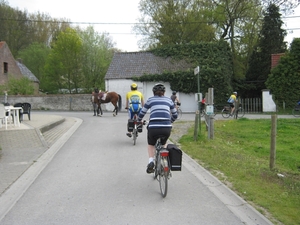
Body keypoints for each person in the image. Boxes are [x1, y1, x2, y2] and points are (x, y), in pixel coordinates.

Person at [137, 83, 178, 174]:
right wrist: (169, 121)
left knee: (151, 144)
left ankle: (151, 161)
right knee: (164, 143)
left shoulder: (150, 100)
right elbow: (175, 115)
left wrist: (139, 120)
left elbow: (142, 112)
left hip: (153, 128)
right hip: (166, 127)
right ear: (164, 92)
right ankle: (164, 160)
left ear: (153, 92)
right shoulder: (169, 100)